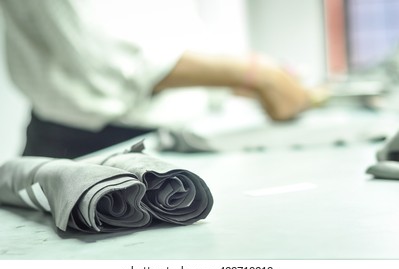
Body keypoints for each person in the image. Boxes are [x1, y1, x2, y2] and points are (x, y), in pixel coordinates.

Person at [0, 0, 313, 158]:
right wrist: (256, 74)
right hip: (86, 150)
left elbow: (170, 36)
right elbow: (113, 66)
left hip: (171, 140)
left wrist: (239, 82)